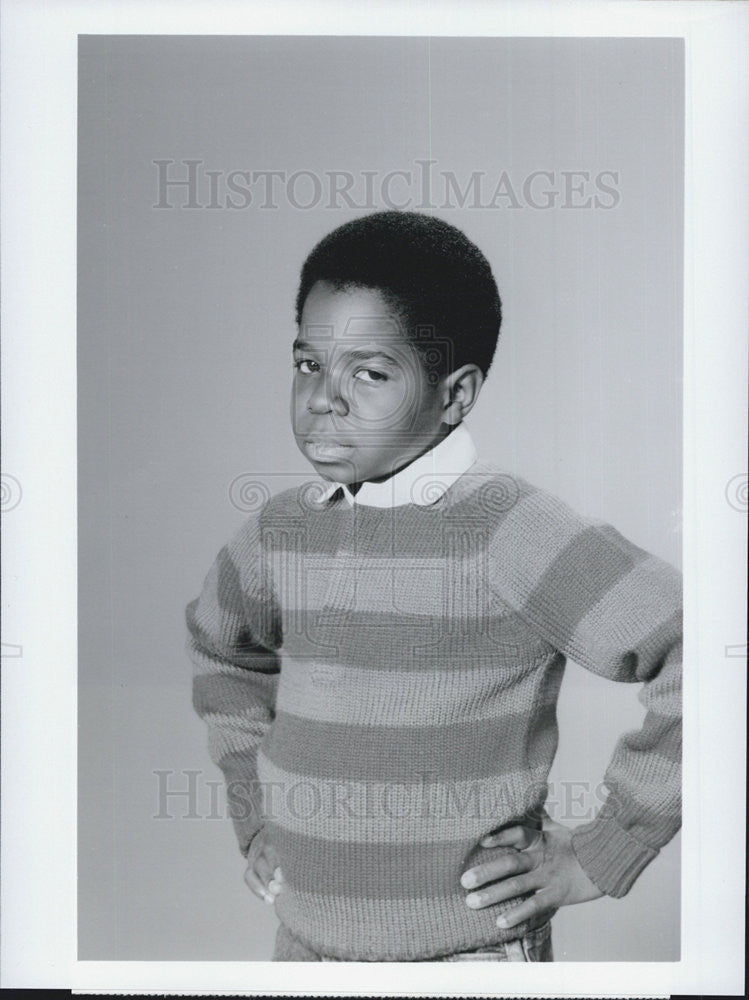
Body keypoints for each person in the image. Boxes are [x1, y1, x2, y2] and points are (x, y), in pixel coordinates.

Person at [186, 211, 682, 962]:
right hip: (305, 949)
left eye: (370, 372)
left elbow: (703, 652)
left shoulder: (508, 529)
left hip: (465, 957)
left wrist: (606, 848)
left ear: (454, 395)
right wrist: (257, 812)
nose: (324, 397)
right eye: (307, 364)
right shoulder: (278, 532)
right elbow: (223, 655)